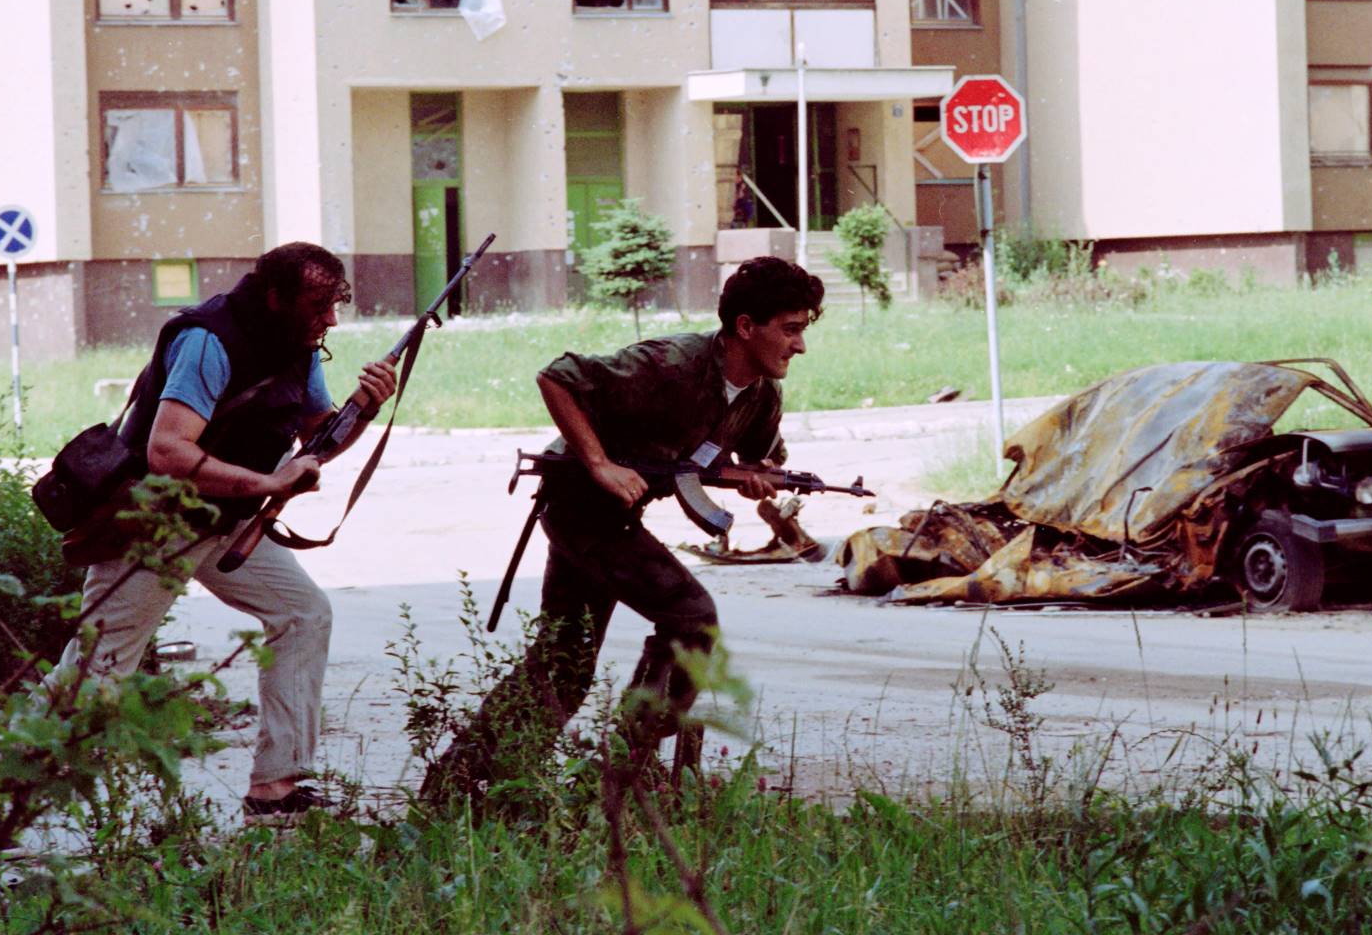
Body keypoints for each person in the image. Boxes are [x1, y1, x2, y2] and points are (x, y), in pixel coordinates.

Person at [426, 256, 825, 801]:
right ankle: (627, 761)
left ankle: (463, 784)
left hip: (614, 515)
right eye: (791, 329)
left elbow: (753, 459)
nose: (800, 345)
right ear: (745, 326)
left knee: (564, 663)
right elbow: (558, 377)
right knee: (691, 615)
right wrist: (599, 463)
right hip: (578, 502)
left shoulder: (760, 394)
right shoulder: (672, 363)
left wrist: (758, 478)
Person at [43, 242, 396, 826]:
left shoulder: (298, 345)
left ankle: (274, 789)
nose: (331, 319)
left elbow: (317, 442)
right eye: (317, 306)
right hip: (157, 525)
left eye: (334, 304)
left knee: (303, 614)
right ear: (275, 297)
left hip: (223, 520)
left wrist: (365, 407)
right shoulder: (208, 340)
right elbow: (166, 451)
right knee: (98, 670)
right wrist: (267, 481)